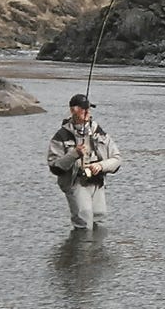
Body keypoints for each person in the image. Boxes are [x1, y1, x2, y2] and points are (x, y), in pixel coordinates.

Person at [46, 94, 122, 229]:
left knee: (100, 217)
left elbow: (117, 159)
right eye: (83, 109)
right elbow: (55, 167)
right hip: (75, 182)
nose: (87, 112)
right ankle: (80, 249)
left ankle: (98, 249)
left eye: (88, 108)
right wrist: (74, 154)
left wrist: (100, 166)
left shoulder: (99, 132)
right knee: (84, 219)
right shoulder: (61, 136)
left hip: (97, 181)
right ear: (72, 110)